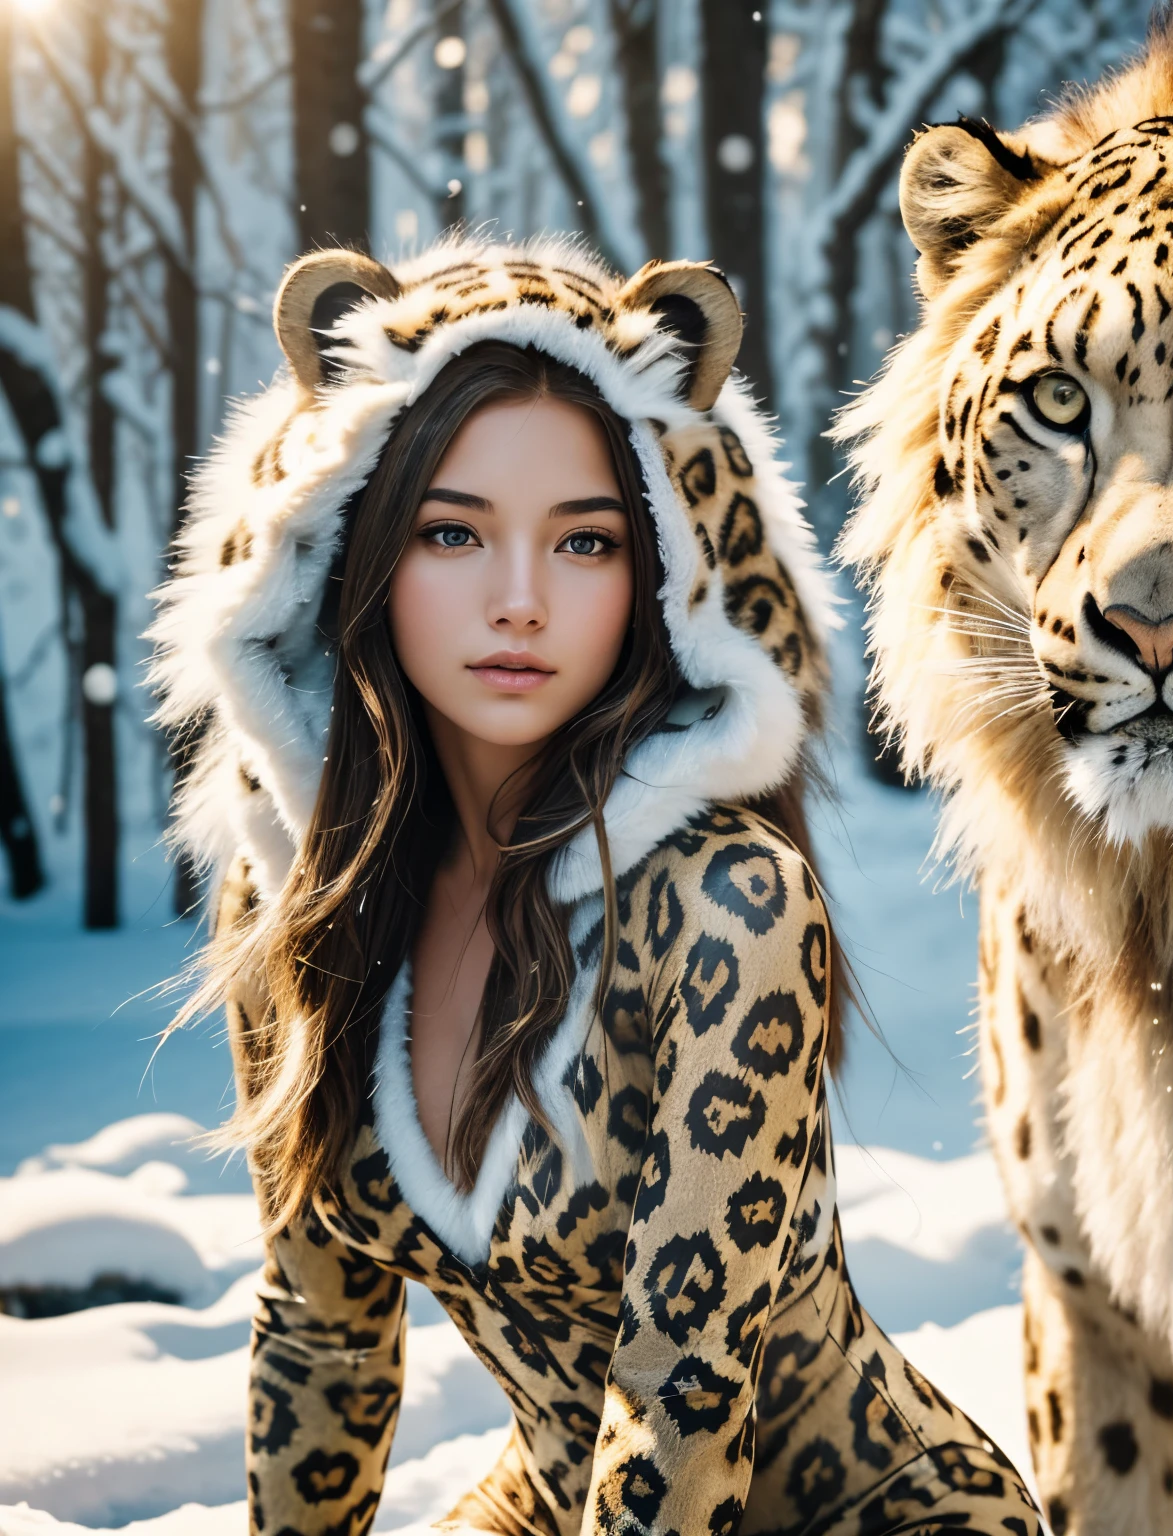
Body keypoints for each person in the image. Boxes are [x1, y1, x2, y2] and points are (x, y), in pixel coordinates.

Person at [151, 237, 1044, 1536]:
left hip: (872, 1513)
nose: (519, 602)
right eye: (451, 532)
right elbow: (321, 1340)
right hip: (554, 1504)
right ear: (348, 550)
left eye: (586, 543)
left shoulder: (733, 910)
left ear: (665, 580)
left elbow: (680, 1382)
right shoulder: (292, 894)